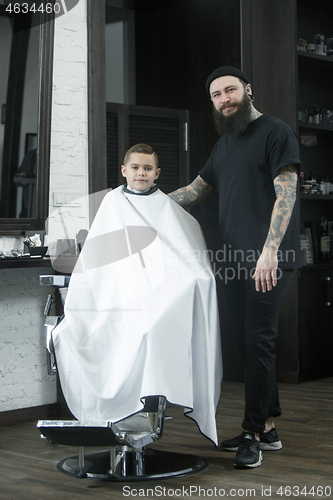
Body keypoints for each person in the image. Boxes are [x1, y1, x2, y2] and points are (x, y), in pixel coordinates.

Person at [168, 66, 301, 469]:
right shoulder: (225, 145)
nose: (225, 99)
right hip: (232, 261)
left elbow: (287, 193)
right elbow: (195, 191)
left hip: (267, 260)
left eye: (230, 90)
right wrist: (142, 201)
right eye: (216, 95)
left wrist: (270, 249)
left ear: (248, 90)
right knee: (247, 344)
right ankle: (270, 429)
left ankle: (251, 434)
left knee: (258, 340)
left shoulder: (276, 133)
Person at [51, 143, 223, 445]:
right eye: (135, 167)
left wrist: (193, 278)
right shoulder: (112, 203)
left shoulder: (165, 206)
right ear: (124, 170)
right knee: (98, 332)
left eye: (147, 168)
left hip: (163, 297)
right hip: (120, 294)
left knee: (149, 332)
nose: (140, 173)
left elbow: (184, 252)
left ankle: (148, 412)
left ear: (156, 174)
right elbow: (101, 257)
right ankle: (124, 416)